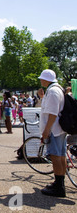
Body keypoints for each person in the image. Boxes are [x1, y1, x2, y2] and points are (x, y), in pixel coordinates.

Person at [37, 69, 67, 197]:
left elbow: (53, 113)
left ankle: (59, 187)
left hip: (54, 129)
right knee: (60, 155)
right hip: (58, 128)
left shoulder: (53, 91)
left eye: (42, 78)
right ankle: (59, 183)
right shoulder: (56, 89)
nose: (40, 80)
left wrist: (46, 130)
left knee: (55, 156)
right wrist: (42, 97)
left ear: (46, 79)